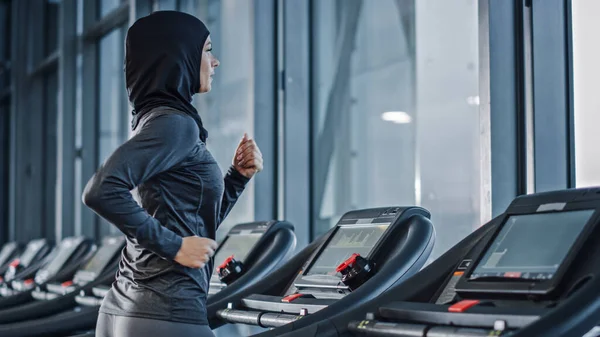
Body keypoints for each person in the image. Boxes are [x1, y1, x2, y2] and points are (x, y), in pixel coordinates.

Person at [82, 11, 263, 337]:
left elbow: (190, 219)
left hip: (128, 307)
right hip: (165, 311)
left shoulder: (153, 120)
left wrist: (237, 177)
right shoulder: (174, 125)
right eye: (207, 50)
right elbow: (100, 190)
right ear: (180, 57)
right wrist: (174, 246)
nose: (215, 61)